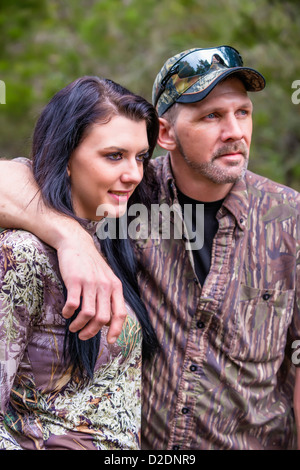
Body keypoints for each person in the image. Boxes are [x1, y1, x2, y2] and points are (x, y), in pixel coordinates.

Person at [0, 45, 299, 450]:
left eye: (242, 112)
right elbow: (20, 175)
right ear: (166, 133)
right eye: (211, 115)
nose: (234, 132)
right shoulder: (130, 197)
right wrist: (70, 237)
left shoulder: (288, 219)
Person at [0, 75, 159, 450]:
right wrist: (69, 236)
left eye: (140, 157)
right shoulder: (22, 255)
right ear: (66, 158)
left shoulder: (114, 235)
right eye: (114, 156)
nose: (134, 174)